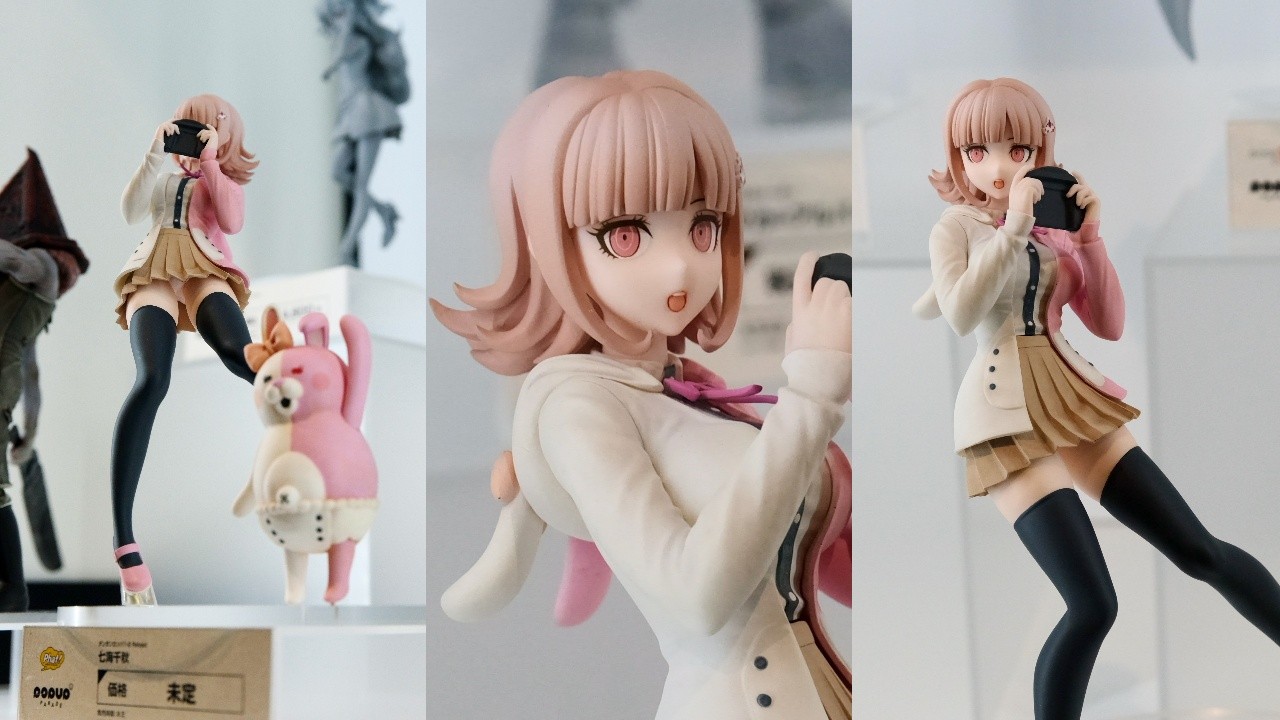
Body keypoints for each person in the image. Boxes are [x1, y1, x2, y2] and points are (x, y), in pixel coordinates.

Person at [433, 70, 852, 719]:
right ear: (546, 241)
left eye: (702, 226)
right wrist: (812, 396)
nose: (681, 265)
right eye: (625, 235)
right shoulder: (578, 409)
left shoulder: (685, 392)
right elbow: (692, 600)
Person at [916, 77, 1280, 720]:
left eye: (1017, 151)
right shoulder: (956, 229)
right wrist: (1013, 226)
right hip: (1003, 412)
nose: (998, 168)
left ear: (1042, 151)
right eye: (977, 152)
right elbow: (961, 312)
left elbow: (1108, 324)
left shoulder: (1053, 226)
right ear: (958, 157)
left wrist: (1088, 238)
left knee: (1199, 551)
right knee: (1092, 604)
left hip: (1073, 397)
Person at [111, 94, 258, 605]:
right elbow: (131, 211)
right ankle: (125, 540)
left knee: (243, 355)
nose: (192, 139)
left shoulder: (218, 181)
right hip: (153, 268)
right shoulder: (165, 177)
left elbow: (232, 221)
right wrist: (153, 155)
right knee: (152, 378)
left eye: (204, 129)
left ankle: (310, 427)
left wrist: (212, 163)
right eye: (186, 129)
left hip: (204, 266)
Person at [0, 150, 88, 611]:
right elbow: (32, 375)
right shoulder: (26, 299)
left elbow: (13, 259)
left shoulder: (41, 267)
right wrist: (30, 436)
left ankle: (14, 589)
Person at [319, 0, 406, 265]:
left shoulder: (354, 41)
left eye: (342, 13)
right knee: (338, 172)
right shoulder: (342, 38)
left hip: (368, 111)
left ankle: (346, 250)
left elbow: (338, 56)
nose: (337, 20)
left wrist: (348, 21)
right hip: (350, 113)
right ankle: (384, 210)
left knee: (361, 185)